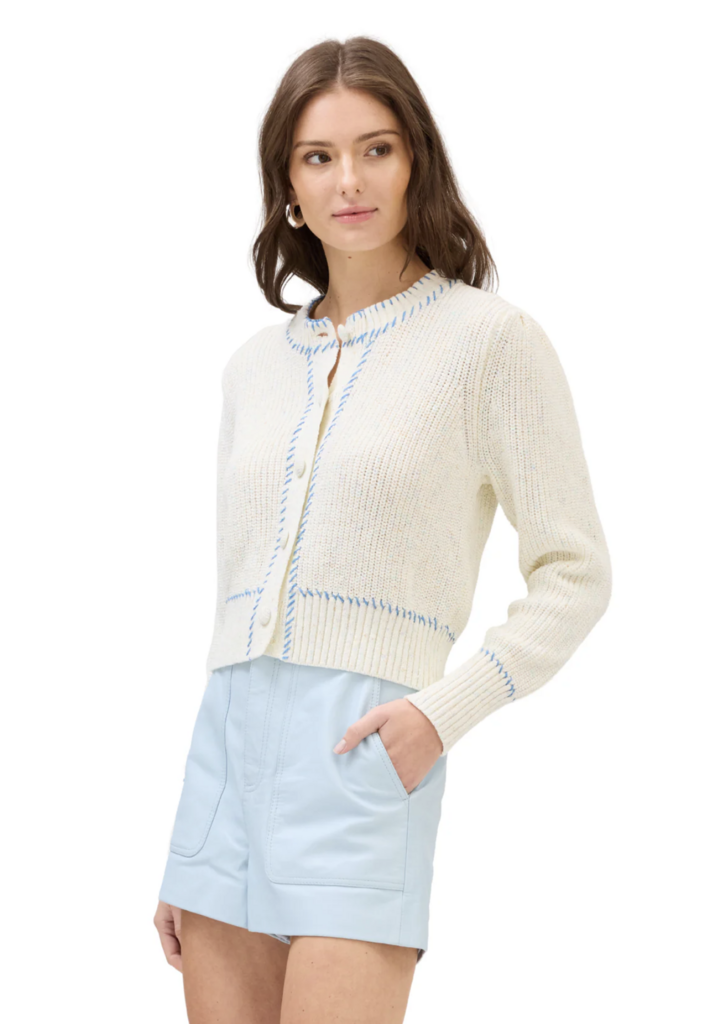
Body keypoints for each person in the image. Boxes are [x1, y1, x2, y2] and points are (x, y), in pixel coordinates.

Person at [153, 35, 612, 1024]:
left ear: (416, 165)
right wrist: (187, 835)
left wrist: (439, 714)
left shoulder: (489, 343)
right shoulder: (252, 367)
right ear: (287, 184)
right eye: (318, 157)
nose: (348, 181)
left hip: (361, 755)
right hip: (222, 770)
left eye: (377, 149)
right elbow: (236, 604)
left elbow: (576, 570)